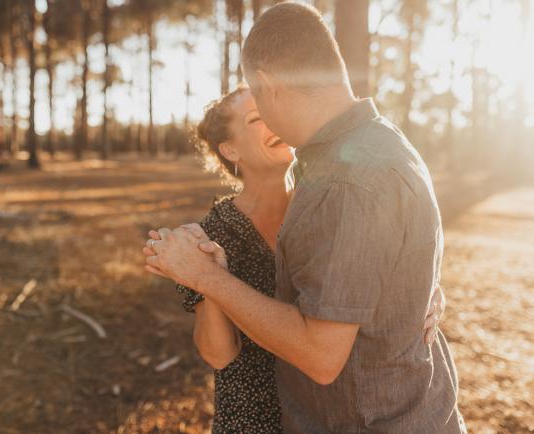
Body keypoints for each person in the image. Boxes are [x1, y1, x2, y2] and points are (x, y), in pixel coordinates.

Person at [144, 2, 466, 433]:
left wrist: (207, 278)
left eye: (256, 98)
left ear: (268, 85)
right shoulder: (378, 142)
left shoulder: (342, 182)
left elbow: (320, 355)